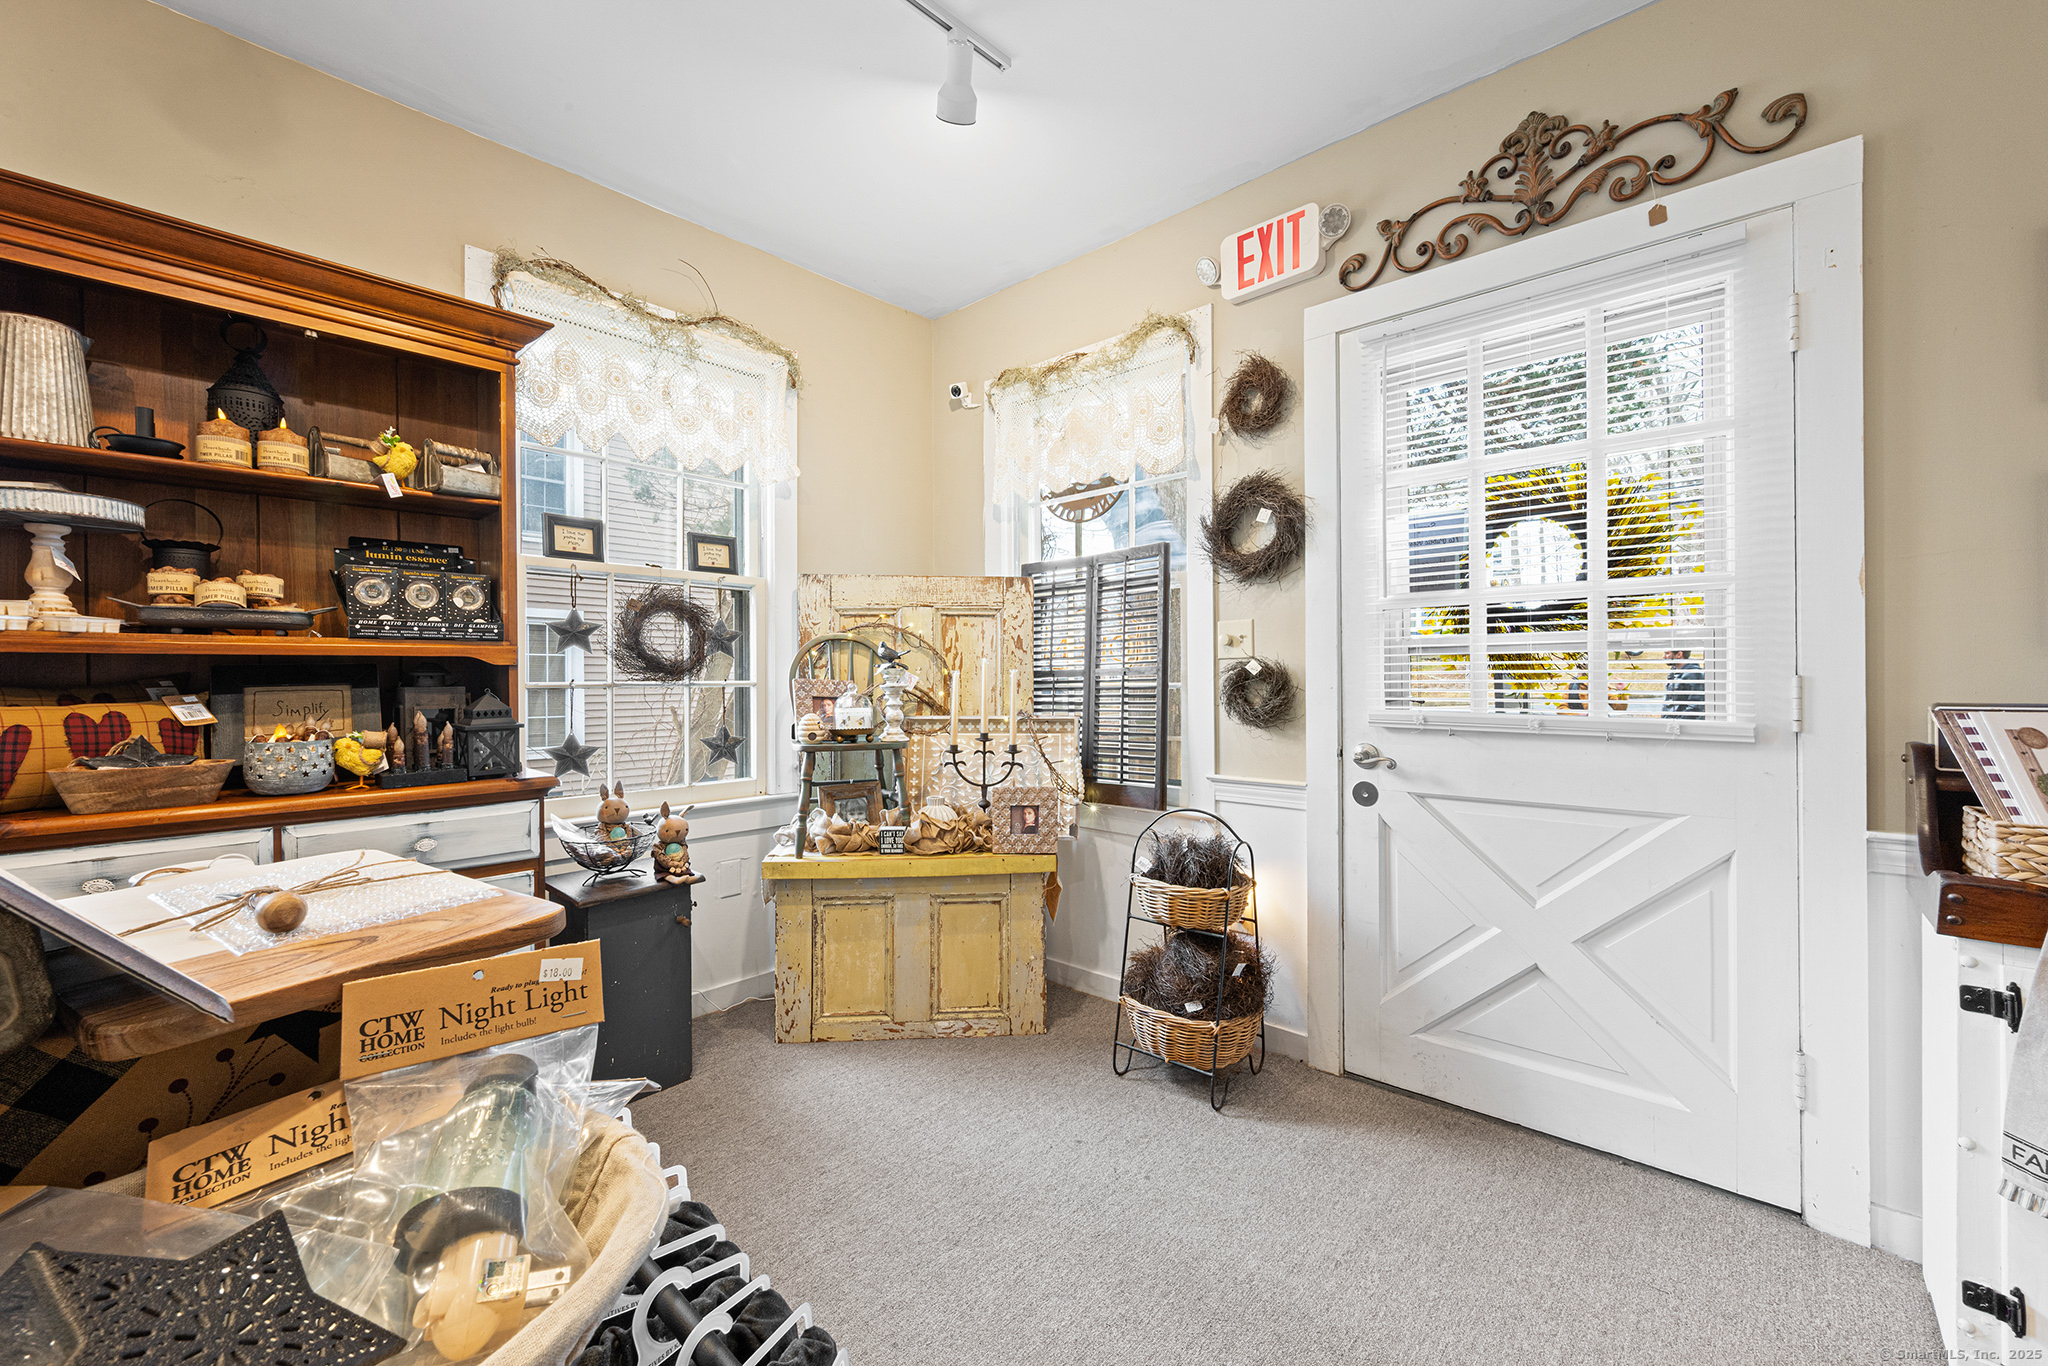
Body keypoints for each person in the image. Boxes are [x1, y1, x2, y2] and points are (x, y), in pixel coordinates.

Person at [1662, 649, 1705, 718]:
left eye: (1667, 653)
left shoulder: (1693, 674)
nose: (1663, 656)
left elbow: (1695, 707)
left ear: (1679, 654)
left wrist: (1679, 723)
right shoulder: (1674, 671)